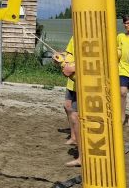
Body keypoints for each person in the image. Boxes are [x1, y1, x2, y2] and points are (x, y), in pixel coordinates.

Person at [55, 37, 81, 167]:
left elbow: (96, 60)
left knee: (77, 117)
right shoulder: (75, 36)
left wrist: (73, 67)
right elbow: (69, 54)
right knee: (68, 108)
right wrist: (61, 57)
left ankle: (82, 156)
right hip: (73, 83)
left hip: (86, 84)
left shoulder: (96, 37)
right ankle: (74, 137)